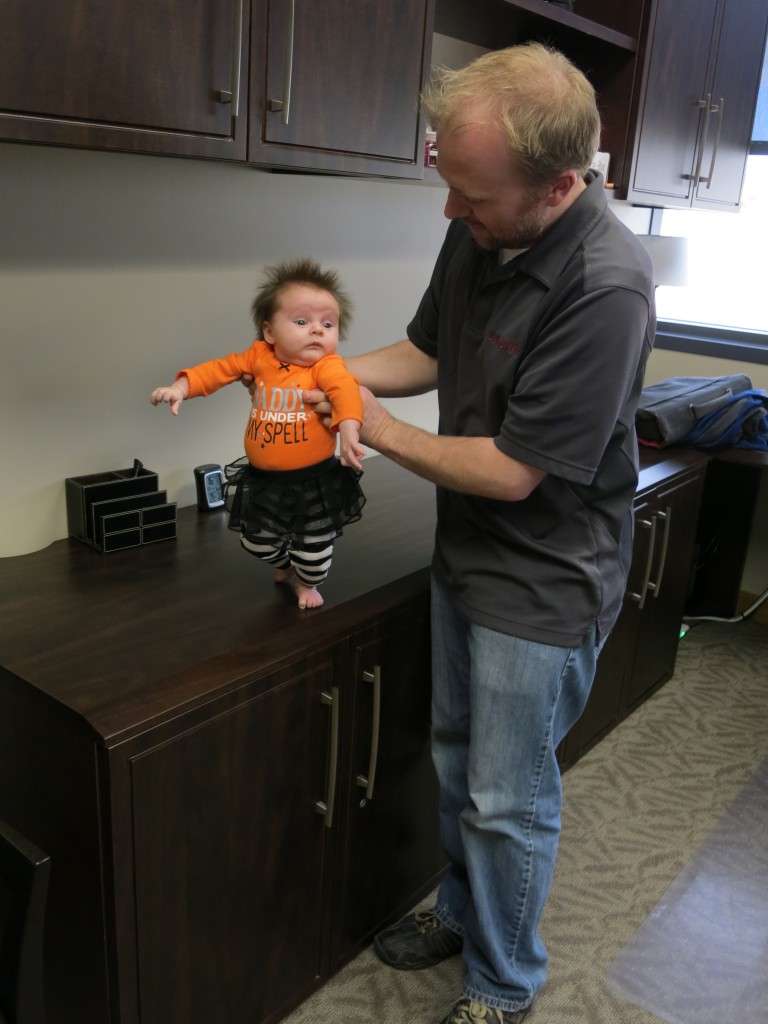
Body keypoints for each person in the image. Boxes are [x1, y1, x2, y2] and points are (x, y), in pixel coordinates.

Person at [304, 43, 655, 1024]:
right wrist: (321, 374)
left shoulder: (605, 283)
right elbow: (425, 348)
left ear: (559, 187)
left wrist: (372, 428)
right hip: (465, 555)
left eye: (476, 197)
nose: (451, 213)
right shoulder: (483, 226)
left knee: (509, 798)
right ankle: (465, 914)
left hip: (543, 582)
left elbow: (511, 469)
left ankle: (505, 987)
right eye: (448, 183)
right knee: (460, 760)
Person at [150, 258, 366, 609]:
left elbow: (345, 392)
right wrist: (180, 387)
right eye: (302, 321)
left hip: (313, 481)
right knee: (256, 542)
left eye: (328, 324)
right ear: (269, 332)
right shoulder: (258, 356)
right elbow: (218, 370)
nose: (317, 330)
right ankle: (285, 567)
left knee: (314, 551)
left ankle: (307, 583)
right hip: (264, 480)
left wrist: (350, 430)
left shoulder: (327, 367)